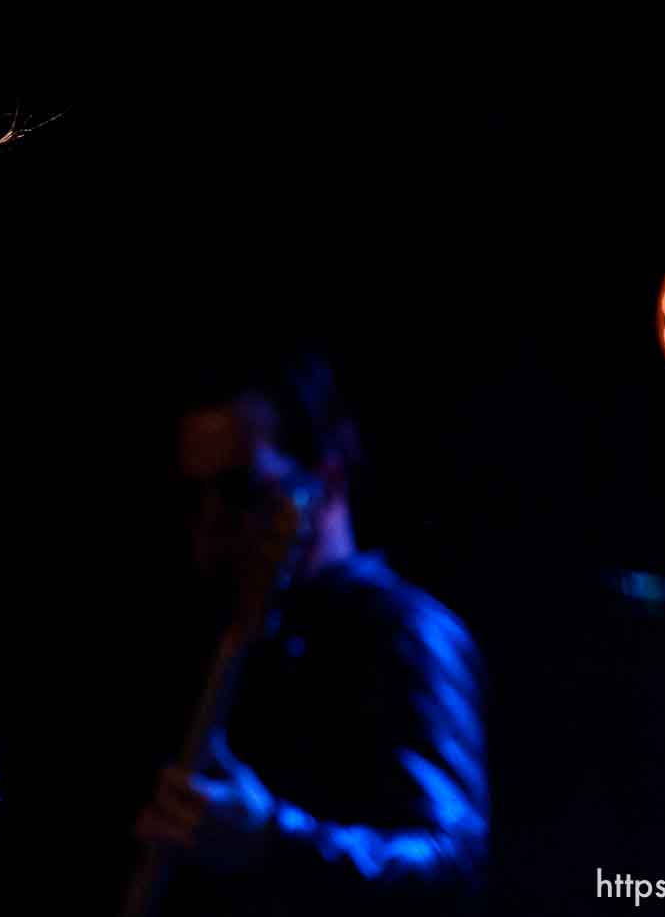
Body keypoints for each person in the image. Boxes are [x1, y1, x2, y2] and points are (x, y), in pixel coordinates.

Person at [128, 354, 488, 915]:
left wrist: (274, 841)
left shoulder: (403, 631)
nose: (210, 530)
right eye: (194, 500)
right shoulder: (226, 634)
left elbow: (452, 863)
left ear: (326, 477)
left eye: (240, 490)